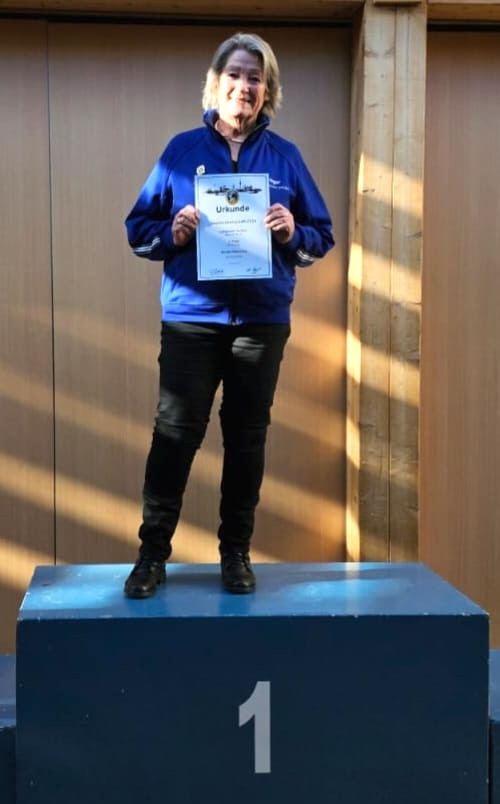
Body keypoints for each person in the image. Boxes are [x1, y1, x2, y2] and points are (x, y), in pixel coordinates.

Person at [123, 31, 334, 598]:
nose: (244, 86)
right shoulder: (180, 152)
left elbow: (321, 237)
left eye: (255, 78)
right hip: (192, 319)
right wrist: (173, 232)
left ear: (268, 91)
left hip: (261, 325)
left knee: (246, 440)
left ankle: (235, 554)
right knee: (174, 435)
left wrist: (293, 233)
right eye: (235, 75)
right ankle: (151, 556)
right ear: (216, 84)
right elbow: (138, 231)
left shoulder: (285, 158)